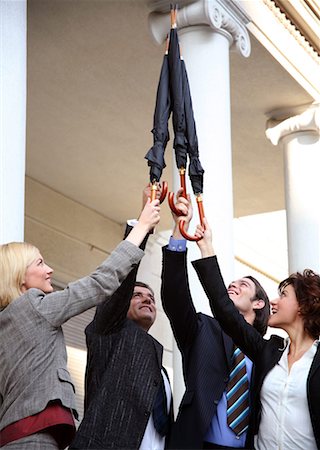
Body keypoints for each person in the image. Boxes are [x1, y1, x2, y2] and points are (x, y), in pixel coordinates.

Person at [0, 196, 160, 450]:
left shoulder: (7, 322)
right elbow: (100, 283)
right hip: (34, 439)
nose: (50, 269)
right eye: (40, 263)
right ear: (20, 277)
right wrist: (140, 228)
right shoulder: (34, 306)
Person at [192, 217, 320, 450]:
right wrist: (206, 247)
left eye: (283, 295)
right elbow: (225, 310)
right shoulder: (268, 352)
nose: (273, 301)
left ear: (303, 306)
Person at [161, 191, 270, 450]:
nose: (232, 286)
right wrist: (179, 232)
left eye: (242, 285)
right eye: (230, 284)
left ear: (259, 303)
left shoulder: (269, 353)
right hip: (196, 443)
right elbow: (175, 295)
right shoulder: (203, 329)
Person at [70, 188, 172, 450]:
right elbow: (122, 282)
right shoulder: (108, 331)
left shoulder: (157, 364)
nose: (147, 299)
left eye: (150, 297)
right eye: (137, 295)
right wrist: (144, 227)